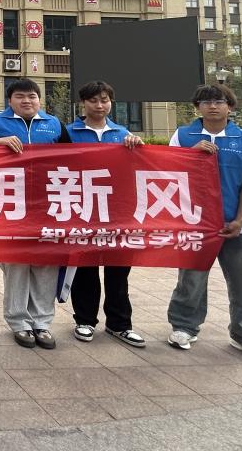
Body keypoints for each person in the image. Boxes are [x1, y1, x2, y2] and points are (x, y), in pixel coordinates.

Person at [166, 83, 242, 365]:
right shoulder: (183, 136)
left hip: (238, 225)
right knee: (191, 279)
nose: (213, 106)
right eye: (206, 102)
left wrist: (240, 219)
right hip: (195, 223)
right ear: (197, 107)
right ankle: (184, 327)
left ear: (230, 106)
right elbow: (169, 174)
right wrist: (190, 153)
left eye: (219, 101)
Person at [0, 78, 70, 349]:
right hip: (10, 205)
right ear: (10, 100)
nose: (26, 100)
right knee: (16, 264)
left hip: (49, 205)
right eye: (20, 96)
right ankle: (19, 322)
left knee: (46, 264)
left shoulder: (55, 124)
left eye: (32, 96)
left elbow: (74, 158)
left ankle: (42, 322)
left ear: (39, 100)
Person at [66, 81, 146, 348]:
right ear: (83, 103)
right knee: (85, 270)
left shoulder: (123, 134)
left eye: (104, 100)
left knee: (118, 271)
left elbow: (138, 169)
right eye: (93, 100)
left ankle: (119, 324)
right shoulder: (69, 133)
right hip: (82, 212)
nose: (99, 105)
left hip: (117, 214)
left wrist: (139, 147)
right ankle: (85, 320)